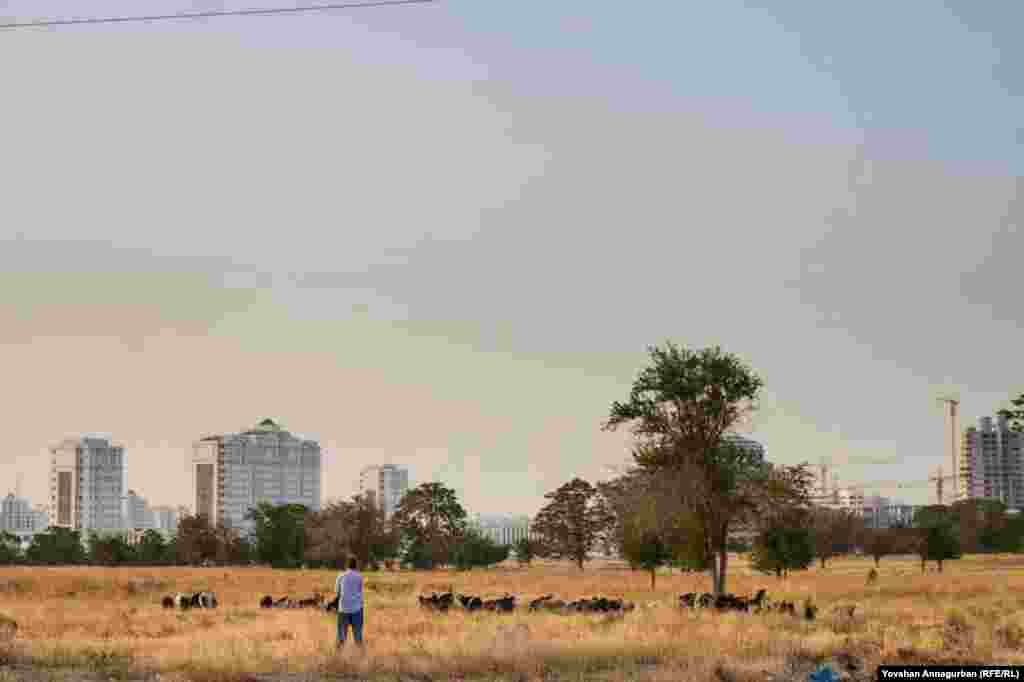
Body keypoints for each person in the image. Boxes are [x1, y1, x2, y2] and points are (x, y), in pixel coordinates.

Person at [335, 557, 364, 651]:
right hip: (357, 609)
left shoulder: (340, 576)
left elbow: (337, 593)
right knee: (358, 635)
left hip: (343, 609)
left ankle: (337, 656)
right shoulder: (359, 576)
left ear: (346, 565)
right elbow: (359, 592)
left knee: (341, 636)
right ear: (356, 565)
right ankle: (361, 656)